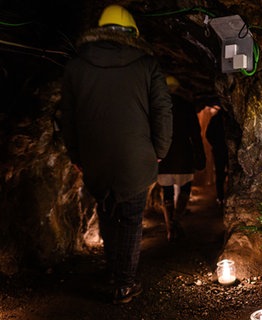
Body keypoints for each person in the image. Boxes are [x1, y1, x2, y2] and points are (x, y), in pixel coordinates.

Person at [59, 4, 172, 304]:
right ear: (132, 33)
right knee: (131, 219)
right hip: (136, 157)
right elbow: (162, 110)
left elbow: (67, 117)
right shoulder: (147, 64)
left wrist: (77, 156)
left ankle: (113, 271)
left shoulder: (75, 66)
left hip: (95, 158)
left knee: (108, 216)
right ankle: (124, 283)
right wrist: (159, 150)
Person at [157, 76, 205, 242]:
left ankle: (170, 228)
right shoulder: (186, 106)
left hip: (163, 156)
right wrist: (200, 156)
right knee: (185, 189)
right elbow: (195, 135)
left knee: (167, 191)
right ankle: (176, 221)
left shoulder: (157, 107)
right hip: (183, 155)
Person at [205, 105, 228, 204]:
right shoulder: (229, 119)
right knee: (228, 172)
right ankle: (225, 195)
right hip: (227, 150)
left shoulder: (215, 119)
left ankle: (220, 197)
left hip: (218, 149)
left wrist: (215, 144)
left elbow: (208, 134)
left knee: (220, 173)